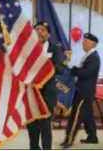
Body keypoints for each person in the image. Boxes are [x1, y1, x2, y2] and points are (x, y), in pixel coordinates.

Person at [26, 21, 65, 150]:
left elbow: (61, 69)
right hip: (31, 93)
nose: (39, 32)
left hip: (47, 94)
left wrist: (47, 65)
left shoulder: (55, 49)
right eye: (36, 29)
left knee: (45, 126)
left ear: (48, 34)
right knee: (32, 126)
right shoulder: (28, 49)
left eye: (43, 30)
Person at [60, 33, 100, 149]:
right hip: (84, 91)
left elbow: (85, 72)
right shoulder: (88, 56)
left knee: (75, 117)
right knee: (88, 116)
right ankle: (92, 137)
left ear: (93, 44)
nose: (83, 42)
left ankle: (69, 139)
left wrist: (72, 70)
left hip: (84, 93)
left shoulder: (93, 57)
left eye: (86, 41)